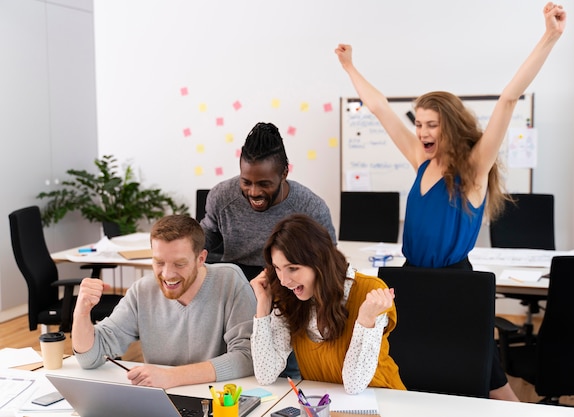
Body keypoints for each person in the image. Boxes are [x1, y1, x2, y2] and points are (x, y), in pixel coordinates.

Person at [335, 2, 566, 401]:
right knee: (410, 372)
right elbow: (378, 108)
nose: (422, 132)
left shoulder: (475, 169)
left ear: (451, 126)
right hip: (411, 280)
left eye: (431, 125)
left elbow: (509, 99)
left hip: (456, 283)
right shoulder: (420, 160)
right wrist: (349, 66)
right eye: (419, 124)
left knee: (484, 378)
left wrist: (550, 36)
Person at [72, 214, 256, 389]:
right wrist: (80, 313)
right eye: (159, 262)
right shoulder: (142, 291)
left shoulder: (230, 282)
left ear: (201, 259)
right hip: (161, 398)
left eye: (179, 264)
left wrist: (172, 377)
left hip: (219, 399)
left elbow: (247, 357)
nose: (167, 274)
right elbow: (90, 357)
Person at [249, 214, 406, 394]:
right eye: (277, 268)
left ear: (319, 261)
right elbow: (265, 374)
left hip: (383, 399)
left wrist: (366, 320)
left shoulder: (370, 292)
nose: (284, 280)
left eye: (293, 268)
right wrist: (263, 304)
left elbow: (354, 385)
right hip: (323, 404)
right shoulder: (289, 297)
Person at [200, 121, 336, 280]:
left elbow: (329, 260)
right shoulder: (221, 196)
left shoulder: (311, 209)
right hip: (236, 281)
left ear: (284, 174)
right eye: (246, 182)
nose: (254, 192)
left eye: (264, 184)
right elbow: (208, 235)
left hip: (288, 283)